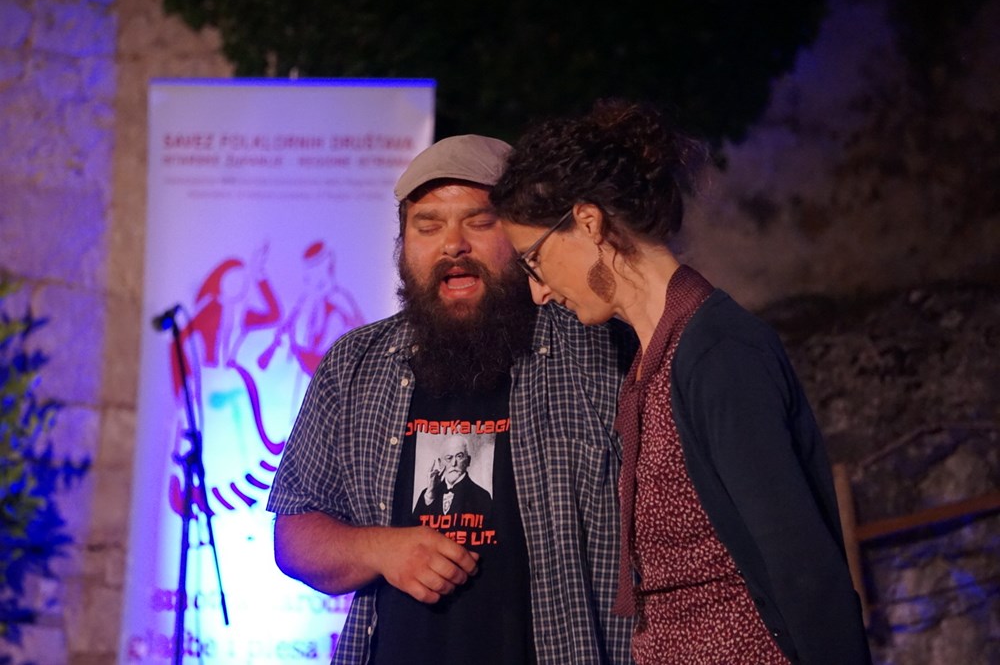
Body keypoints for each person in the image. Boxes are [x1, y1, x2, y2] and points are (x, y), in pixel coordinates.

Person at [490, 100, 872, 665]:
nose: (538, 291)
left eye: (534, 261)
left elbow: (802, 564)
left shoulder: (718, 353)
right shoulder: (648, 363)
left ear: (589, 223)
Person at [266, 134, 636, 664]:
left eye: (479, 222)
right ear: (403, 243)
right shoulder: (353, 366)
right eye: (428, 225)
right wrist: (381, 548)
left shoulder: (598, 351)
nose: (453, 245)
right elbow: (295, 535)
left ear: (522, 233)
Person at [412, 434, 492, 518]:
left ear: (468, 460)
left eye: (459, 456)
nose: (454, 463)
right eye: (449, 458)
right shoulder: (427, 494)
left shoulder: (482, 496)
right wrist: (430, 496)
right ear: (440, 463)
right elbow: (414, 525)